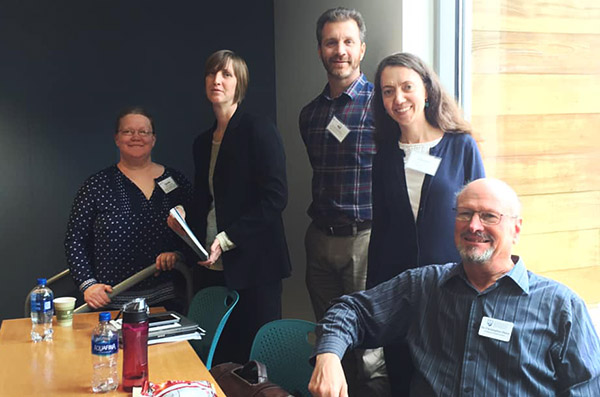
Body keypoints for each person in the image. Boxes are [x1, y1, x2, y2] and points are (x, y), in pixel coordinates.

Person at [309, 178, 600, 396]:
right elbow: (349, 311)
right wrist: (329, 357)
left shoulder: (560, 306)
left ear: (516, 229)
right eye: (464, 214)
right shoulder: (424, 286)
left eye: (489, 216)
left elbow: (586, 389)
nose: (473, 225)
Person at [367, 52, 485, 394]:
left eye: (407, 87)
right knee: (403, 379)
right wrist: (375, 297)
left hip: (454, 291)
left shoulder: (461, 146)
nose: (398, 98)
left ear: (427, 91)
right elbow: (381, 231)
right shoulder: (384, 156)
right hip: (400, 293)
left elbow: (483, 223)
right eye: (388, 91)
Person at [168, 50, 291, 364]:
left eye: (226, 74)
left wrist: (226, 239)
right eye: (211, 74)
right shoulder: (202, 141)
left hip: (255, 264)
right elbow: (206, 199)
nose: (217, 80)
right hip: (212, 263)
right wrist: (183, 221)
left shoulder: (258, 129)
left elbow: (275, 198)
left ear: (240, 84)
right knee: (220, 354)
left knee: (255, 358)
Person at [298, 7, 388, 395]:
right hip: (319, 239)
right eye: (331, 42)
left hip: (364, 241)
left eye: (348, 41)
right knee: (329, 343)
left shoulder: (381, 107)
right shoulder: (310, 115)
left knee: (370, 351)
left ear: (361, 49)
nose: (340, 50)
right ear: (319, 50)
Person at [65, 107, 192, 310]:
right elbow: (75, 240)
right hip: (111, 302)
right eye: (128, 131)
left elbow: (194, 232)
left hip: (166, 302)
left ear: (153, 139)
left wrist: (177, 254)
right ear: (117, 138)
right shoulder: (97, 185)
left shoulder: (176, 182)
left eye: (143, 132)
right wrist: (88, 285)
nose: (136, 137)